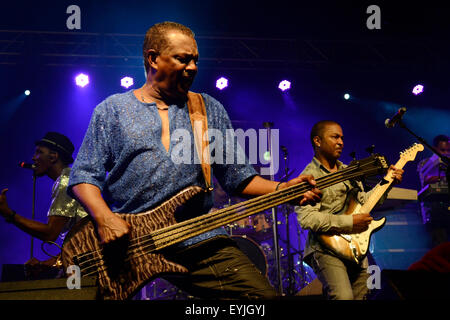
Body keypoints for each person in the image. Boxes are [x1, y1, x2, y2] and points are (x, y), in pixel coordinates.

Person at [67, 21, 321, 299]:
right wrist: (105, 220)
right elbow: (83, 176)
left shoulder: (208, 108)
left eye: (195, 60)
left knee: (259, 299)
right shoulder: (112, 110)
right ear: (153, 59)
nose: (192, 67)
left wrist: (284, 190)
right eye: (182, 59)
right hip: (127, 243)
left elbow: (238, 178)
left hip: (194, 236)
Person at [295, 120, 404, 300]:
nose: (341, 142)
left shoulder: (349, 171)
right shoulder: (309, 177)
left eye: (342, 138)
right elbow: (307, 219)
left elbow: (364, 202)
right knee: (343, 296)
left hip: (355, 246)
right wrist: (350, 222)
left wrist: (388, 182)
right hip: (325, 248)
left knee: (362, 296)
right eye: (335, 137)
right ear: (317, 141)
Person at [0, 132, 88, 269]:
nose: (34, 158)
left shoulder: (66, 181)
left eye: (39, 152)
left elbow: (50, 233)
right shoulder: (68, 179)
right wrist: (44, 264)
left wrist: (9, 214)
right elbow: (78, 245)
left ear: (53, 156)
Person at [417, 134, 450, 247]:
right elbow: (426, 180)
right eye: (442, 150)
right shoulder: (425, 163)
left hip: (448, 206)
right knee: (440, 245)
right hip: (433, 210)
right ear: (434, 149)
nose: (446, 153)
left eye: (448, 150)